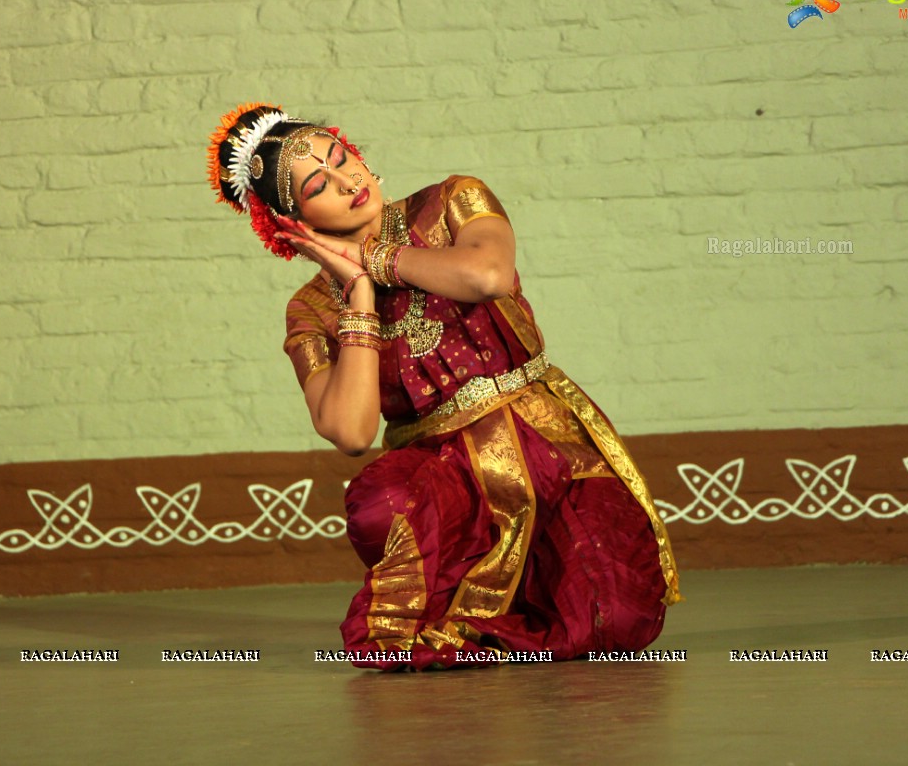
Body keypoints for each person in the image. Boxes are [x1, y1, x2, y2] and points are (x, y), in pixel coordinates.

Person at [207, 102, 682, 670]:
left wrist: (374, 257)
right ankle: (470, 613)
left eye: (341, 157)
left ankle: (495, 618)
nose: (346, 179)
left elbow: (486, 276)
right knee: (379, 505)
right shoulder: (311, 309)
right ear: (294, 222)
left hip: (550, 446)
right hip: (448, 482)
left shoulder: (452, 201)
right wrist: (358, 292)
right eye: (318, 184)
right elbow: (353, 432)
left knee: (617, 618)